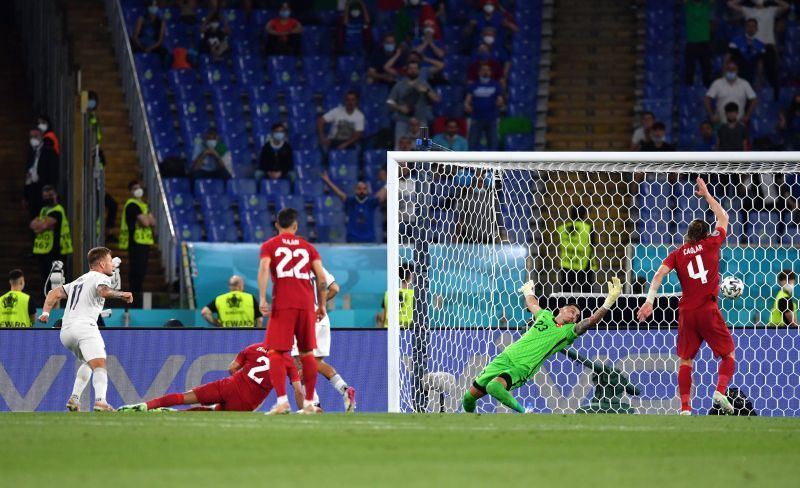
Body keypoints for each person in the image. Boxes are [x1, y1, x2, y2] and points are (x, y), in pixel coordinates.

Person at [636, 177, 736, 416]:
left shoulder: (678, 253)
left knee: (685, 360)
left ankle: (685, 409)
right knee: (728, 355)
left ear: (688, 235)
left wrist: (649, 301)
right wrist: (707, 195)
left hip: (687, 313)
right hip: (708, 310)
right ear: (705, 234)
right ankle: (720, 390)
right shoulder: (712, 243)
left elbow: (659, 274)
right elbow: (724, 217)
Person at [462, 277, 623, 413]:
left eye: (577, 315)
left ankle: (524, 412)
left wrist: (609, 301)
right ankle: (470, 423)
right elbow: (533, 305)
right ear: (562, 309)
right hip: (505, 357)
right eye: (573, 311)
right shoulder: (545, 316)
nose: (575, 316)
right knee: (468, 398)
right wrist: (528, 291)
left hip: (523, 366)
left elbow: (591, 321)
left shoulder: (568, 332)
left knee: (493, 387)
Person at [38, 247, 134, 412]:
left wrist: (46, 312)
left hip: (66, 331)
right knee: (99, 363)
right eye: (110, 262)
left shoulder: (79, 280)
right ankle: (100, 401)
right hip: (84, 327)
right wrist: (121, 294)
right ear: (102, 264)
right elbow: (103, 291)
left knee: (88, 362)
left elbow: (54, 293)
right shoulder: (100, 277)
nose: (112, 265)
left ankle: (74, 399)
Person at [258, 208, 328, 415]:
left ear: (277, 225)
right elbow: (322, 279)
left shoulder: (269, 245)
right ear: (296, 226)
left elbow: (264, 269)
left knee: (276, 352)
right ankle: (309, 403)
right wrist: (322, 305)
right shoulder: (308, 248)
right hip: (307, 304)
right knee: (307, 353)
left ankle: (282, 402)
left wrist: (262, 298)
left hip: (284, 303)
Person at [118, 343, 303, 412]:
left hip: (230, 386)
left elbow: (232, 368)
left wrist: (241, 380)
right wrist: (303, 410)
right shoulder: (288, 361)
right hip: (247, 403)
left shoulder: (255, 347)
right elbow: (296, 389)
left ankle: (144, 406)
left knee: (185, 397)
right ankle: (176, 415)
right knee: (213, 413)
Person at [291, 266, 357, 412]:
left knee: (300, 362)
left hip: (304, 320)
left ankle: (313, 404)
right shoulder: (317, 267)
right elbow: (335, 288)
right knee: (316, 362)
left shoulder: (289, 270)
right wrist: (319, 304)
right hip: (321, 319)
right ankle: (345, 389)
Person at [728, 0, 790, 101]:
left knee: (772, 74)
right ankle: (745, 98)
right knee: (747, 74)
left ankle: (776, 99)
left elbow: (786, 6)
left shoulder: (771, 10)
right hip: (753, 46)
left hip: (768, 46)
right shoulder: (748, 10)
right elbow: (730, 4)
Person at [321, 171, 387, 243]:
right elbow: (338, 192)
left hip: (369, 241)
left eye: (364, 189)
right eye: (359, 188)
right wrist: (328, 181)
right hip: (352, 240)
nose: (362, 191)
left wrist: (390, 181)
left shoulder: (371, 202)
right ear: (355, 190)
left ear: (367, 191)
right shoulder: (350, 201)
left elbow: (383, 192)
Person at [120, 180, 155, 309]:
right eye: (135, 188)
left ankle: (136, 297)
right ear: (130, 191)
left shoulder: (143, 205)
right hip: (135, 242)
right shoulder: (132, 205)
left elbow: (153, 221)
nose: (138, 190)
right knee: (136, 271)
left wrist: (146, 218)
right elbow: (146, 222)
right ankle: (133, 299)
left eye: (139, 188)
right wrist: (146, 219)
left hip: (144, 242)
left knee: (142, 272)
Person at [387, 60, 439, 145]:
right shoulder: (399, 85)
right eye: (410, 68)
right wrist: (399, 108)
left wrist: (427, 91)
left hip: (421, 121)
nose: (412, 70)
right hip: (402, 120)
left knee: (424, 148)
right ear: (407, 70)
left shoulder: (424, 84)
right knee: (400, 148)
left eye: (415, 68)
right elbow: (389, 101)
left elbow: (436, 99)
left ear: (419, 71)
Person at [31, 185, 73, 285]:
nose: (47, 198)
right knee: (46, 280)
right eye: (45, 196)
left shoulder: (57, 210)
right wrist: (41, 226)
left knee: (55, 281)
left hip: (55, 251)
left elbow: (42, 226)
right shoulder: (44, 210)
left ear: (55, 195)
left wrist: (41, 225)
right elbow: (32, 225)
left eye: (50, 195)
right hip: (44, 251)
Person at [557, 206, 598, 294]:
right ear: (584, 214)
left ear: (571, 214)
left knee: (566, 292)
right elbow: (592, 244)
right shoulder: (587, 228)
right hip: (584, 264)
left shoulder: (562, 228)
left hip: (567, 263)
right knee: (586, 294)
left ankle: (564, 307)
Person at [464, 63, 504, 150]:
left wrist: (499, 102)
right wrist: (467, 106)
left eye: (487, 70)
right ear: (479, 72)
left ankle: (493, 163)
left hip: (491, 118)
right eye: (483, 70)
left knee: (493, 144)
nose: (485, 72)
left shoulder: (496, 85)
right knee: (472, 143)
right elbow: (467, 101)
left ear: (490, 72)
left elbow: (500, 99)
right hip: (476, 118)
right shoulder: (474, 85)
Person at [704, 60, 758, 125]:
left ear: (737, 71)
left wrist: (747, 116)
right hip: (720, 123)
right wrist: (712, 115)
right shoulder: (717, 83)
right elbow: (707, 99)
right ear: (725, 71)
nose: (731, 71)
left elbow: (754, 100)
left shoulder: (744, 84)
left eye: (733, 69)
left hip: (739, 124)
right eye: (728, 69)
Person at [24, 128, 59, 219]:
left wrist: (50, 191)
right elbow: (27, 174)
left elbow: (53, 173)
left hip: (44, 191)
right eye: (31, 137)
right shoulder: (31, 152)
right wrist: (25, 195)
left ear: (41, 136)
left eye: (35, 136)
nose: (33, 139)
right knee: (33, 218)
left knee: (44, 218)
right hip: (33, 191)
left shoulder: (49, 152)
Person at [726, 18, 765, 85]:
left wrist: (759, 79)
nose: (750, 28)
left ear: (756, 29)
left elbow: (760, 64)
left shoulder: (760, 45)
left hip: (750, 77)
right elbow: (727, 59)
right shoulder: (735, 41)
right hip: (735, 75)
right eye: (748, 26)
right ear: (745, 27)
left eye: (753, 26)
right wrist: (724, 75)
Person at [683, 0, 713, 87]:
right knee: (689, 66)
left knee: (706, 66)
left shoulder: (706, 5)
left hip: (704, 42)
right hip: (691, 42)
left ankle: (707, 86)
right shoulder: (688, 5)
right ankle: (689, 86)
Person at [131, 1, 168, 65]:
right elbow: (135, 37)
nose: (154, 8)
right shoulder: (141, 19)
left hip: (153, 45)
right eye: (152, 6)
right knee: (133, 49)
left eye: (155, 6)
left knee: (163, 52)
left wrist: (150, 48)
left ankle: (161, 72)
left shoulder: (161, 22)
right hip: (140, 43)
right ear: (148, 7)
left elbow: (160, 41)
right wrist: (142, 47)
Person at [377, 264, 414, 328]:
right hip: (407, 332)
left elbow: (382, 318)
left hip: (388, 331)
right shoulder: (414, 294)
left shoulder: (388, 294)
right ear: (411, 276)